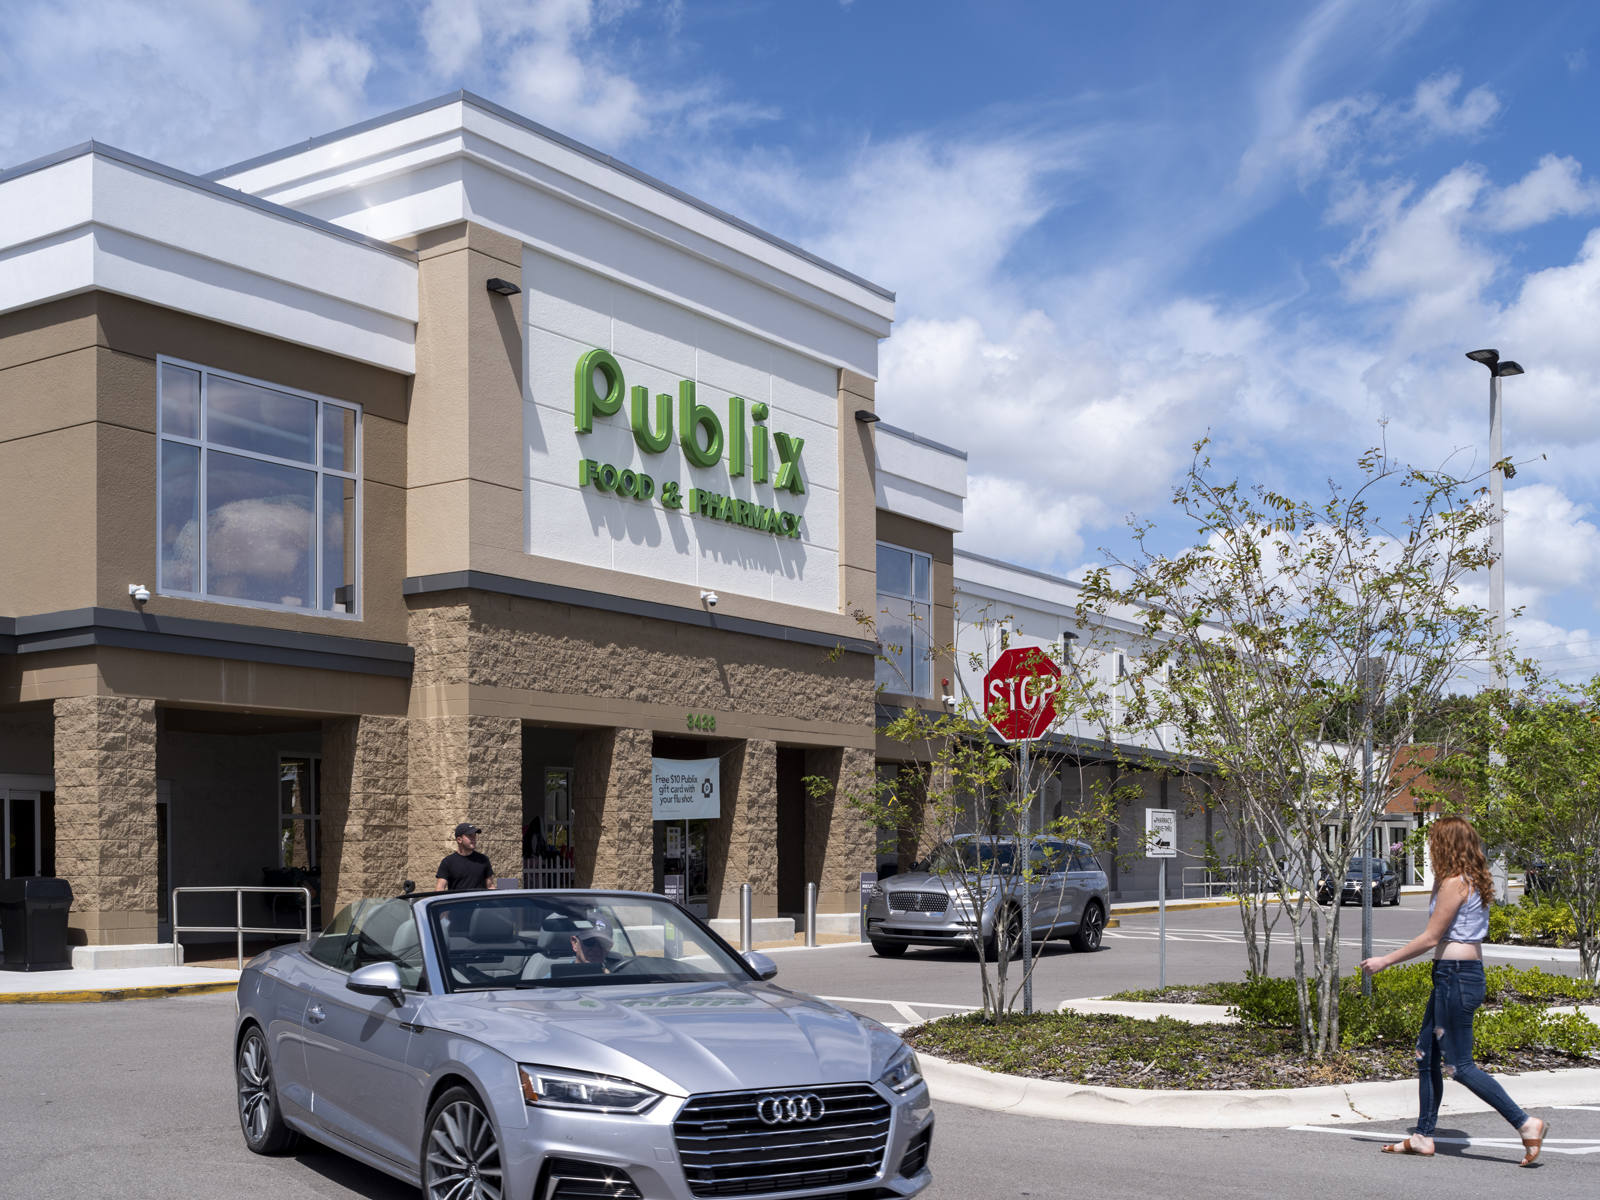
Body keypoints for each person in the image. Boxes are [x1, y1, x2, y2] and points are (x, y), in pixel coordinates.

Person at [1361, 815, 1548, 1165]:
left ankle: (1525, 1123)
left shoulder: (1455, 883)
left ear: (1445, 845)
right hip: (1455, 975)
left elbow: (1432, 937)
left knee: (1459, 1066)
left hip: (1455, 977)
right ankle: (1423, 1136)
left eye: (1434, 840)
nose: (1430, 845)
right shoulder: (1470, 879)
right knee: (1426, 1055)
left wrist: (1385, 961)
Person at [435, 822, 496, 892]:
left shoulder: (483, 859)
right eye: (470, 836)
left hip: (480, 902)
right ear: (459, 840)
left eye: (474, 835)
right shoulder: (447, 862)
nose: (474, 838)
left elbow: (490, 886)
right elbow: (439, 889)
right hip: (459, 902)